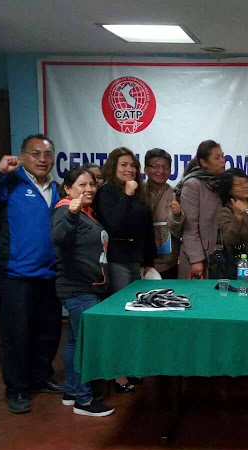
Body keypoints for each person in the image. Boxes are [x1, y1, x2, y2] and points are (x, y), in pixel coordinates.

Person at [0, 134, 64, 414]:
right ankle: (16, 389)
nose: (42, 159)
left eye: (47, 154)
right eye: (35, 153)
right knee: (16, 336)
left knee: (48, 332)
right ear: (22, 155)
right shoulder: (8, 182)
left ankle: (40, 378)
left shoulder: (56, 188)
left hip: (49, 275)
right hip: (15, 275)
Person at [50, 167, 114, 416]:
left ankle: (72, 391)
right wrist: (72, 214)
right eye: (82, 184)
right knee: (86, 343)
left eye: (92, 184)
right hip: (78, 288)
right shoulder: (66, 210)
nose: (89, 189)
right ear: (68, 188)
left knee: (75, 341)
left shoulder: (86, 211)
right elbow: (59, 237)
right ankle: (84, 401)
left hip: (85, 288)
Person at [95, 147, 157, 393]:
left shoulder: (138, 191)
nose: (129, 169)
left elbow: (146, 228)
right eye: (123, 164)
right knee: (120, 315)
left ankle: (130, 364)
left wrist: (149, 260)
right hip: (117, 260)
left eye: (132, 165)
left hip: (135, 261)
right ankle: (116, 372)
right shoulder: (107, 192)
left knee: (134, 316)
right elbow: (114, 224)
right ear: (113, 167)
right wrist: (127, 195)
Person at [178, 140, 226, 279]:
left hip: (218, 257)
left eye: (223, 156)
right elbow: (189, 228)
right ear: (203, 162)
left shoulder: (220, 183)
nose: (222, 161)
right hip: (199, 260)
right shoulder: (193, 185)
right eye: (217, 157)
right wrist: (196, 260)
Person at [217, 168, 248, 280]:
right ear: (229, 190)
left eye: (246, 182)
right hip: (244, 267)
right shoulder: (226, 211)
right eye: (239, 184)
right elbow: (228, 240)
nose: (245, 186)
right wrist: (238, 216)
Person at [143, 148, 184, 279]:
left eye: (165, 167)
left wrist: (177, 215)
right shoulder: (137, 192)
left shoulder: (176, 194)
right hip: (141, 263)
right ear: (146, 169)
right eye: (155, 166)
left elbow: (177, 231)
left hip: (168, 264)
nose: (161, 171)